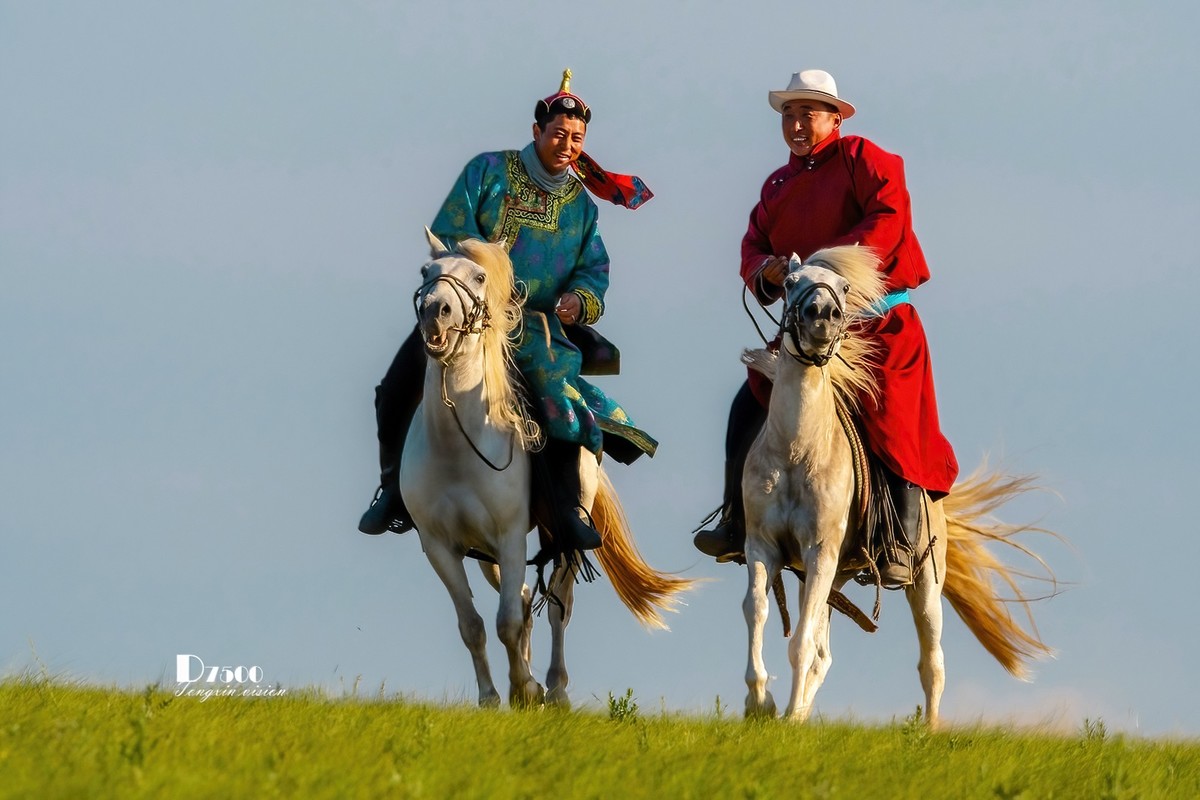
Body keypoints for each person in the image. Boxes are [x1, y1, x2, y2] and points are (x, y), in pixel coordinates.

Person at [359, 69, 656, 556]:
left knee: (559, 401)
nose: (566, 144)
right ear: (537, 131)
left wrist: (580, 299)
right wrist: (480, 281)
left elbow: (593, 267)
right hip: (465, 316)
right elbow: (450, 236)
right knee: (393, 389)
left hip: (534, 326)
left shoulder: (581, 206)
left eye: (576, 138)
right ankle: (392, 489)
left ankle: (568, 508)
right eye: (558, 133)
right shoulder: (487, 172)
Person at [693, 69, 959, 586]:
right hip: (806, 328)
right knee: (749, 402)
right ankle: (733, 517)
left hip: (876, 323)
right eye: (788, 115)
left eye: (807, 113)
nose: (796, 123)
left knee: (891, 414)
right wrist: (764, 269)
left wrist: (825, 266)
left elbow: (888, 219)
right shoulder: (777, 185)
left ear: (834, 118)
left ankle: (902, 540)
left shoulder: (864, 158)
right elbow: (753, 244)